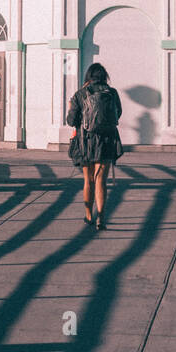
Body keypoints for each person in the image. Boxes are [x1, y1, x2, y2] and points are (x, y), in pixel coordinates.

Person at [65, 63, 123, 230]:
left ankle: (89, 215)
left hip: (86, 142)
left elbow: (71, 121)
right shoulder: (112, 93)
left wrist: (71, 107)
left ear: (88, 77)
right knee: (101, 181)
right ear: (104, 76)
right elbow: (118, 113)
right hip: (106, 141)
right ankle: (101, 219)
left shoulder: (81, 94)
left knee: (88, 180)